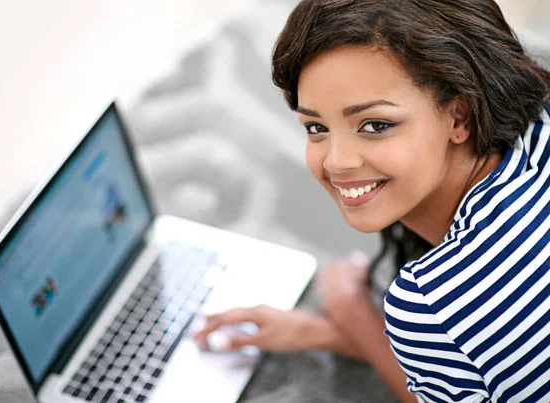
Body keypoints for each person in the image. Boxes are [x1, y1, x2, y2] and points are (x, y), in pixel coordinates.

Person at [193, 0, 550, 401]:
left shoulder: (432, 300)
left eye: (376, 125)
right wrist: (330, 333)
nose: (336, 161)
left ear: (459, 117)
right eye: (317, 127)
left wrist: (355, 314)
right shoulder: (541, 119)